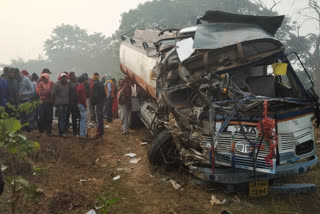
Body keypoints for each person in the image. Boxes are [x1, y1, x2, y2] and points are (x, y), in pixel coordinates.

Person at [52, 72, 69, 137]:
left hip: (66, 103)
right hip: (59, 104)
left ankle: (64, 131)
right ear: (61, 77)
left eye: (65, 77)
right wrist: (55, 102)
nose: (64, 78)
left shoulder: (67, 84)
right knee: (61, 118)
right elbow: (53, 93)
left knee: (64, 118)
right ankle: (61, 132)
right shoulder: (57, 84)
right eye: (63, 77)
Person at [91, 73, 106, 138]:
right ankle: (101, 131)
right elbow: (104, 94)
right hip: (101, 102)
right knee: (100, 116)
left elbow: (95, 95)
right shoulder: (101, 83)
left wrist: (93, 103)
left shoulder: (95, 84)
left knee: (97, 117)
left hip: (97, 103)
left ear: (93, 77)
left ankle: (99, 132)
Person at [66, 72, 79, 136]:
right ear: (70, 77)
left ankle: (75, 130)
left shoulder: (76, 84)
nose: (74, 77)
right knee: (68, 116)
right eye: (72, 76)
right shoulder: (68, 84)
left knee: (74, 116)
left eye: (74, 75)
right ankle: (67, 129)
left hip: (75, 102)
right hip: (70, 102)